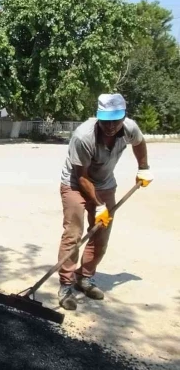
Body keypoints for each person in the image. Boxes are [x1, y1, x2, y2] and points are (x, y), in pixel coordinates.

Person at [56, 93, 153, 310]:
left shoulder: (129, 128)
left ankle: (85, 278)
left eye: (115, 120)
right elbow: (82, 176)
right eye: (106, 120)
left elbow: (139, 143)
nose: (110, 126)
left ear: (123, 117)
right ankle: (66, 285)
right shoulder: (83, 136)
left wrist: (144, 167)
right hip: (74, 184)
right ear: (98, 117)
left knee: (101, 234)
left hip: (105, 184)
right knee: (73, 233)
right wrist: (98, 205)